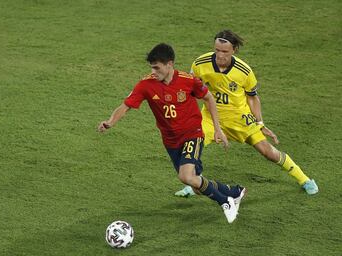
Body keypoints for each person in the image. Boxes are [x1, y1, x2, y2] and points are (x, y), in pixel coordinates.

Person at [98, 43, 247, 223]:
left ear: (170, 64)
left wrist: (217, 128)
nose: (153, 71)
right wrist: (110, 122)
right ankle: (234, 191)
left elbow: (208, 98)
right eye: (152, 67)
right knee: (195, 183)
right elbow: (126, 106)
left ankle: (226, 202)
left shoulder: (188, 80)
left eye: (157, 67)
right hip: (171, 141)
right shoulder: (146, 85)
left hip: (193, 133)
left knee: (186, 176)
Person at [175, 30, 319, 197]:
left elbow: (252, 98)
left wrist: (260, 123)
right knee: (191, 148)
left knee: (268, 152)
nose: (220, 55)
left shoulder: (244, 71)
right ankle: (195, 183)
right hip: (210, 118)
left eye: (225, 51)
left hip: (240, 119)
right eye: (217, 50)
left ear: (234, 50)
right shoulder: (200, 64)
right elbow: (190, 87)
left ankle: (305, 179)